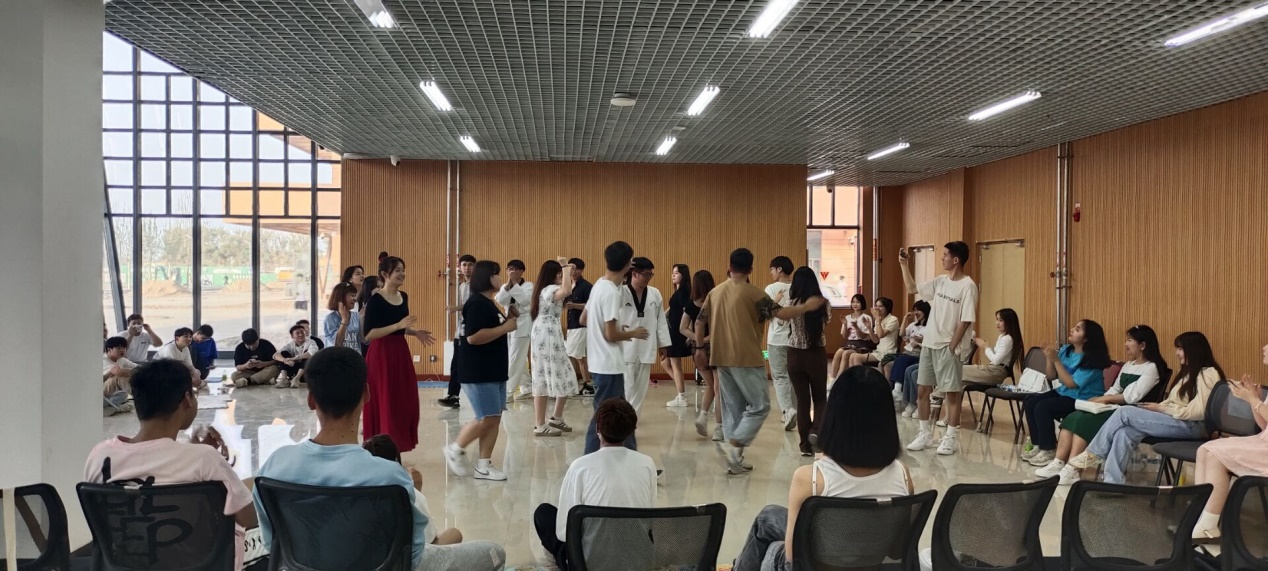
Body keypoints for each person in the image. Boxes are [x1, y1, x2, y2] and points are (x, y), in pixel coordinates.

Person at [253, 348, 505, 571]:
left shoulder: (275, 466)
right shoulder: (389, 475)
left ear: (311, 400)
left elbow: (271, 542)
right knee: (494, 552)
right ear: (366, 394)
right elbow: (413, 553)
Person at [733, 366, 914, 571]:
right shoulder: (903, 474)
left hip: (817, 565)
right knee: (769, 516)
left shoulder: (811, 478)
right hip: (870, 561)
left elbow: (793, 556)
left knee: (773, 543)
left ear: (835, 415)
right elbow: (897, 549)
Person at [83, 359, 256, 570]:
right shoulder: (205, 459)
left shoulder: (100, 456)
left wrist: (192, 449)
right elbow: (248, 518)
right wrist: (203, 455)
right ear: (187, 400)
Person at [698, 248, 824, 474]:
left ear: (730, 266)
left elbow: (700, 321)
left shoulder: (715, 293)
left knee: (734, 408)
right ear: (751, 269)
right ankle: (735, 444)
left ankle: (735, 459)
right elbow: (781, 314)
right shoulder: (755, 294)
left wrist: (699, 348)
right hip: (746, 357)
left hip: (720, 357)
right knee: (760, 406)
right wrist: (806, 307)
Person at [1070, 331, 1225, 484]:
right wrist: (1156, 407)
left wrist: (1162, 409)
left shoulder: (1208, 373)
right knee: (1125, 432)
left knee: (1124, 412)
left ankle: (1094, 453)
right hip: (1177, 420)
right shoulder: (1186, 372)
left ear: (1194, 350)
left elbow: (1198, 411)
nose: (1177, 354)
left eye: (1180, 349)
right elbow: (1174, 402)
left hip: (1193, 426)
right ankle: (1112, 482)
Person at [533, 398, 656, 570]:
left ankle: (557, 564)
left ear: (597, 429)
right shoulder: (647, 464)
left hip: (587, 564)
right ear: (631, 431)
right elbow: (649, 520)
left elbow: (563, 532)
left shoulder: (580, 467)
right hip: (636, 562)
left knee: (544, 513)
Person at [1034, 325, 1167, 485]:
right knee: (1073, 417)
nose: (1126, 344)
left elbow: (1132, 397)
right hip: (1113, 406)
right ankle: (1058, 463)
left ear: (1143, 345)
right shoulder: (1128, 365)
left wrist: (1102, 400)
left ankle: (1073, 469)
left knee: (1084, 422)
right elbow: (1115, 389)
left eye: (1130, 340)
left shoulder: (1152, 368)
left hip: (1130, 413)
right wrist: (1099, 399)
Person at [898, 243, 978, 455]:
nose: (942, 258)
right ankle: (925, 434)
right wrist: (904, 264)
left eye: (945, 255)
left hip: (948, 347)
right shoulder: (941, 281)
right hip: (929, 344)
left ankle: (950, 437)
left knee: (952, 394)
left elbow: (966, 319)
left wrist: (952, 346)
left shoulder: (968, 286)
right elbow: (912, 288)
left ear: (956, 260)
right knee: (923, 390)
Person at [444, 260, 516, 480]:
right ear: (487, 277)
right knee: (486, 417)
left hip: (494, 370)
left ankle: (484, 465)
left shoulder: (488, 302)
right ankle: (455, 448)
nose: (500, 278)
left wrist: (510, 319)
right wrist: (505, 327)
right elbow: (473, 337)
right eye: (496, 274)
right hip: (479, 371)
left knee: (494, 418)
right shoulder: (477, 303)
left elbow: (493, 329)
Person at [1191, 343, 1268, 541]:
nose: (1264, 347)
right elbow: (1263, 425)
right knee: (1205, 449)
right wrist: (1254, 399)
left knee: (1217, 457)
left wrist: (1253, 400)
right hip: (1263, 440)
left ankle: (1209, 526)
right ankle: (1201, 516)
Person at [581, 242, 650, 454]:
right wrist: (632, 333)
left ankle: (631, 456)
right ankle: (589, 457)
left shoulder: (599, 285)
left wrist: (617, 328)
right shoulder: (611, 292)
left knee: (620, 415)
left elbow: (584, 319)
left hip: (599, 362)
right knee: (604, 417)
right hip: (609, 364)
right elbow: (610, 335)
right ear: (628, 265)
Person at [363, 256, 437, 453]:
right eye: (397, 270)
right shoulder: (375, 300)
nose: (402, 274)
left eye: (403, 270)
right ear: (385, 274)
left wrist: (415, 332)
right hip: (381, 354)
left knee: (404, 399)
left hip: (400, 351)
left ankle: (398, 444)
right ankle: (381, 447)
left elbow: (400, 328)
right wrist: (398, 325)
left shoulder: (404, 296)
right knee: (385, 398)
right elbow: (369, 333)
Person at [1020, 319, 1111, 467]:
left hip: (1083, 399)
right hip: (1065, 393)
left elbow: (1071, 384)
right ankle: (1038, 444)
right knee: (1030, 402)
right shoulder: (1067, 350)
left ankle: (1048, 449)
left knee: (1043, 407)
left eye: (1078, 329)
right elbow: (1051, 376)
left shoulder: (1092, 361)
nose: (1072, 330)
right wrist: (1049, 358)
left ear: (1086, 338)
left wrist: (1056, 361)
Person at [363, 434, 464, 546]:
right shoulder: (408, 493)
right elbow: (428, 538)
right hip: (406, 554)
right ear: (396, 461)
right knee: (454, 534)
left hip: (369, 553)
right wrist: (416, 492)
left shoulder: (356, 493)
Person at [784, 267, 831, 457]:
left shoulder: (790, 304)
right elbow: (826, 322)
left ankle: (804, 446)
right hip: (816, 353)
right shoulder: (823, 303)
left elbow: (782, 322)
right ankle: (816, 432)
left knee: (802, 400)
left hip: (794, 355)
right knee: (819, 397)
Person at [529, 259, 577, 436]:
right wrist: (565, 266)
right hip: (546, 335)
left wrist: (567, 270)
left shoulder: (546, 290)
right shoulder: (549, 289)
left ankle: (556, 417)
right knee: (543, 377)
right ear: (554, 274)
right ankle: (540, 424)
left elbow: (568, 288)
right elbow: (567, 290)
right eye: (560, 274)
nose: (563, 277)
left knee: (564, 374)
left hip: (549, 333)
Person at [620, 257, 673, 414]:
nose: (649, 278)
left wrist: (663, 344)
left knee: (641, 388)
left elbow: (660, 320)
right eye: (646, 274)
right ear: (634, 273)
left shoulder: (654, 293)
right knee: (627, 386)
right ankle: (624, 416)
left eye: (651, 274)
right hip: (625, 347)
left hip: (646, 345)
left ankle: (633, 417)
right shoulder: (620, 292)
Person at [684, 270, 722, 441]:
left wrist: (697, 339)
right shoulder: (715, 302)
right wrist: (707, 338)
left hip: (697, 349)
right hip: (715, 347)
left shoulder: (691, 304)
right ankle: (719, 427)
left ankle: (703, 415)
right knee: (718, 387)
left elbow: (682, 328)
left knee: (710, 385)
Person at [764, 256, 797, 431]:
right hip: (795, 340)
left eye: (772, 269)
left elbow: (764, 314)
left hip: (776, 340)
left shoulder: (771, 289)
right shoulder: (798, 288)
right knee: (794, 376)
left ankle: (787, 410)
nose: (770, 273)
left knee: (779, 376)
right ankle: (794, 411)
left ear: (779, 269)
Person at [440, 254, 476, 409]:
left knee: (472, 365)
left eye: (470, 264)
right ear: (460, 267)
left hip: (474, 331)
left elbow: (474, 305)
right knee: (456, 364)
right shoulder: (461, 286)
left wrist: (457, 308)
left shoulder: (478, 286)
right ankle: (453, 395)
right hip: (460, 331)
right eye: (464, 265)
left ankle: (479, 396)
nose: (467, 268)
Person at [495, 259, 534, 403]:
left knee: (515, 358)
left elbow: (524, 300)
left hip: (523, 323)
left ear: (521, 271)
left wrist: (514, 284)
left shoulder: (529, 285)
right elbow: (501, 301)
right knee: (517, 358)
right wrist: (509, 284)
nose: (511, 271)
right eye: (509, 269)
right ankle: (527, 387)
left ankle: (508, 392)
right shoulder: (505, 286)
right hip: (508, 323)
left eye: (514, 269)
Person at [963, 308, 1023, 387]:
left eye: (1001, 320)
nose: (997, 323)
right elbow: (996, 357)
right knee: (959, 380)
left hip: (996, 372)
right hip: (993, 370)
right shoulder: (1002, 336)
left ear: (1009, 322)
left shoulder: (1007, 339)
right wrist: (986, 346)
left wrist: (986, 347)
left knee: (958, 370)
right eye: (997, 319)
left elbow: (996, 361)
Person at [663, 263, 694, 408]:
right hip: (672, 332)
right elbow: (672, 307)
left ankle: (681, 396)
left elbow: (689, 312)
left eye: (676, 273)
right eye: (673, 273)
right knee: (665, 363)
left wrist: (689, 333)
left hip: (678, 333)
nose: (673, 275)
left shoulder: (684, 292)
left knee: (675, 364)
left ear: (683, 275)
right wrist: (663, 315)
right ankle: (682, 389)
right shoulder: (678, 291)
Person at [891, 300, 929, 415]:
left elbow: (931, 342)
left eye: (918, 310)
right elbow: (902, 334)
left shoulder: (930, 326)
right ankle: (898, 393)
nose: (916, 313)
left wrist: (920, 341)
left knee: (901, 361)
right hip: (908, 353)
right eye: (914, 310)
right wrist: (904, 319)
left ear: (925, 311)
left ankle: (897, 391)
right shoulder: (913, 325)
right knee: (898, 360)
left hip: (920, 354)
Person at [564, 258, 595, 396]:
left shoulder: (586, 286)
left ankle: (588, 385)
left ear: (581, 270)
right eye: (571, 268)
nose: (573, 271)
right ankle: (576, 383)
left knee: (579, 357)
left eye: (576, 268)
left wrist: (574, 305)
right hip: (571, 326)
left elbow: (591, 305)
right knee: (574, 355)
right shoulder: (568, 285)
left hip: (581, 326)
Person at [829, 294, 874, 380]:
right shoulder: (847, 317)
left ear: (862, 303)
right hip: (849, 343)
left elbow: (863, 336)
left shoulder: (867, 318)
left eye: (858, 302)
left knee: (846, 354)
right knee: (838, 353)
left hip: (862, 344)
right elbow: (845, 336)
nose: (855, 304)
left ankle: (839, 379)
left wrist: (857, 328)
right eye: (853, 302)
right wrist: (845, 324)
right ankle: (832, 379)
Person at [847, 297, 900, 367]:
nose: (877, 309)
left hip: (888, 352)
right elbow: (875, 340)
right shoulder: (878, 320)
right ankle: (854, 374)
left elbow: (881, 335)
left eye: (880, 306)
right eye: (876, 306)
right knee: (852, 356)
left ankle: (861, 374)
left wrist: (877, 318)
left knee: (857, 357)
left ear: (886, 308)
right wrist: (869, 328)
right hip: (879, 350)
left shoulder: (893, 319)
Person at [274, 324, 319, 388]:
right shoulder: (290, 345)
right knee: (283, 354)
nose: (300, 335)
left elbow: (311, 353)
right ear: (292, 336)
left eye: (302, 332)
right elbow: (275, 355)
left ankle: (296, 379)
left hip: (306, 371)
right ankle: (284, 379)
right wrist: (285, 360)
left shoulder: (311, 342)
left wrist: (293, 358)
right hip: (294, 368)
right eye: (297, 333)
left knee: (307, 357)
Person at [323, 281, 363, 351]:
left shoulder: (357, 316)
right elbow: (337, 343)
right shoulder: (330, 318)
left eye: (355, 295)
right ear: (340, 298)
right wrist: (344, 320)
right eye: (352, 295)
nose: (355, 299)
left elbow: (364, 340)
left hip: (354, 356)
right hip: (336, 357)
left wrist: (364, 318)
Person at [102, 336, 137, 415]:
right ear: (109, 349)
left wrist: (130, 371)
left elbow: (140, 369)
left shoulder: (122, 360)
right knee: (119, 377)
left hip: (113, 395)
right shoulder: (102, 360)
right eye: (118, 348)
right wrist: (110, 373)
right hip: (100, 393)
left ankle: (113, 408)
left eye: (124, 348)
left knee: (124, 393)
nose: (122, 350)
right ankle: (143, 399)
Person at [357, 275, 381, 355]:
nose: (380, 289)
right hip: (366, 344)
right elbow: (363, 337)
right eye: (378, 287)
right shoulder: (360, 305)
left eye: (382, 287)